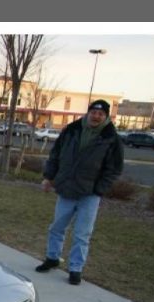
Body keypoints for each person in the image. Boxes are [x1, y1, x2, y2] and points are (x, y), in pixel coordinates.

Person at [35, 99, 124, 285]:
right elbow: (55, 155)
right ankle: (52, 258)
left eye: (100, 114)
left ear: (106, 117)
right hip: (66, 189)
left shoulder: (111, 138)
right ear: (88, 113)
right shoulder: (71, 130)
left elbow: (114, 169)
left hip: (90, 194)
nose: (96, 116)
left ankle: (75, 269)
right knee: (57, 227)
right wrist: (49, 177)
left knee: (82, 234)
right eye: (93, 112)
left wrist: (99, 189)